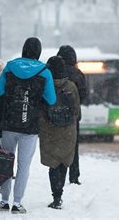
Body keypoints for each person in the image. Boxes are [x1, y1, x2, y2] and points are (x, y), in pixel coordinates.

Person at [0, 37, 56, 214]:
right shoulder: (44, 72)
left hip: (8, 123)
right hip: (30, 126)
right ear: (38, 52)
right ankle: (17, 203)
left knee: (6, 162)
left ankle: (4, 200)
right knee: (23, 165)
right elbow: (51, 99)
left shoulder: (9, 67)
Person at [39, 56, 80, 209]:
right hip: (68, 130)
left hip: (49, 131)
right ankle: (59, 195)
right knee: (63, 163)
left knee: (53, 164)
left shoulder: (45, 86)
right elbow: (76, 111)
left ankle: (56, 196)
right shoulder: (71, 87)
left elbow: (40, 109)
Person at [57, 45, 87, 185]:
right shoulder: (78, 74)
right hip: (73, 116)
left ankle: (56, 173)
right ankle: (74, 176)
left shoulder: (55, 72)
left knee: (56, 144)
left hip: (54, 115)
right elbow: (84, 95)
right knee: (73, 146)